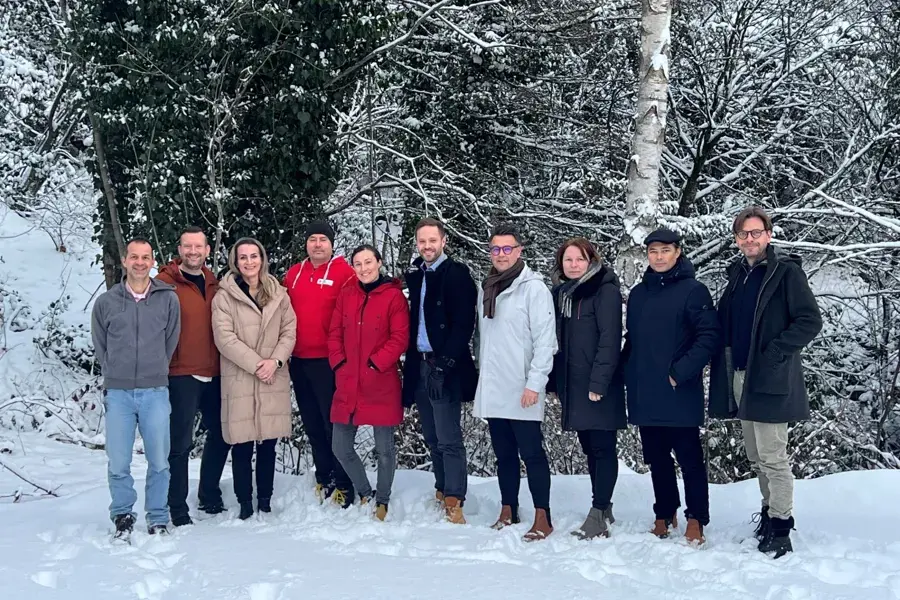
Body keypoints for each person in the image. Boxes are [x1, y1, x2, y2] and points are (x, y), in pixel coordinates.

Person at [709, 206, 822, 558]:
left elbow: (809, 321)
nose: (750, 239)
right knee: (756, 456)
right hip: (741, 377)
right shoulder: (738, 276)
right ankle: (769, 514)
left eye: (756, 233)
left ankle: (781, 527)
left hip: (771, 378)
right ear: (737, 239)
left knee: (774, 457)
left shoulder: (785, 273)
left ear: (768, 235)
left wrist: (775, 353)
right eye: (743, 234)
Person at [623, 228, 719, 545]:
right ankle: (665, 513)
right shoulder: (638, 294)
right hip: (645, 391)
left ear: (677, 252)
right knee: (658, 459)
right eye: (653, 251)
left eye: (665, 250)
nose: (659, 256)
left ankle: (696, 519)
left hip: (679, 391)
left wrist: (680, 372)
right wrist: (624, 373)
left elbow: (708, 337)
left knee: (690, 461)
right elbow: (632, 342)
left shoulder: (695, 291)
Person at [91, 238, 181, 538]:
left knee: (159, 460)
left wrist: (155, 369)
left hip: (155, 391)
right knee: (118, 460)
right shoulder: (106, 303)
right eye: (134, 257)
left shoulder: (168, 299)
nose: (140, 262)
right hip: (119, 394)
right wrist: (116, 373)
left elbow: (171, 341)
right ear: (125, 261)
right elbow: (101, 346)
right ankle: (122, 515)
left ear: (152, 261)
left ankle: (157, 516)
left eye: (145, 257)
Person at [474, 224, 558, 542]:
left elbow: (545, 341)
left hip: (523, 387)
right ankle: (508, 509)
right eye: (495, 249)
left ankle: (542, 515)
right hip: (496, 386)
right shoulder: (488, 288)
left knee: (532, 453)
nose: (501, 255)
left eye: (507, 249)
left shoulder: (533, 289)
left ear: (519, 251)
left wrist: (534, 384)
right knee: (504, 453)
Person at [212, 238, 297, 520]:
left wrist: (275, 362)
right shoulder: (224, 296)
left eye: (254, 256)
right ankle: (245, 502)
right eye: (243, 257)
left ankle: (265, 499)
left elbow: (289, 331)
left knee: (268, 442)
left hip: (273, 376)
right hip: (240, 376)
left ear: (262, 258)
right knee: (242, 442)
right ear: (235, 262)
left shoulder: (279, 294)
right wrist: (256, 364)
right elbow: (224, 338)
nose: (249, 262)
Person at [547, 238, 625, 540]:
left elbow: (610, 339)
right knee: (589, 448)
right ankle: (603, 507)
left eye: (580, 259)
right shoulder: (563, 294)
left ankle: (598, 512)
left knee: (603, 447)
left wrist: (599, 383)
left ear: (591, 260)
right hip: (573, 384)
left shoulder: (604, 291)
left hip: (598, 384)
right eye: (568, 260)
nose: (574, 265)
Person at [402, 218, 477, 524]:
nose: (427, 246)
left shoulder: (456, 274)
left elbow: (463, 325)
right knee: (431, 435)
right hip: (419, 363)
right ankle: (442, 485)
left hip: (444, 364)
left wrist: (444, 364)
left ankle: (454, 497)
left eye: (433, 241)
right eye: (422, 242)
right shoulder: (417, 276)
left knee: (448, 436)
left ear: (444, 241)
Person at [156, 227, 231, 525]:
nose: (192, 251)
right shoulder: (164, 284)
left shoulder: (216, 283)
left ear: (207, 250)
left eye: (198, 246)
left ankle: (208, 494)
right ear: (180, 249)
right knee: (180, 443)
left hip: (215, 372)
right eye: (187, 246)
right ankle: (176, 506)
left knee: (222, 434)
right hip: (181, 373)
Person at [328, 245, 409, 518]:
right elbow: (334, 332)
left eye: (368, 262)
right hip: (348, 380)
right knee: (340, 445)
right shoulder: (346, 294)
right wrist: (339, 362)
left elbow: (399, 337)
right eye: (358, 264)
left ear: (379, 262)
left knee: (384, 449)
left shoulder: (393, 296)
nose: (364, 268)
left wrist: (376, 363)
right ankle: (364, 491)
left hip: (380, 381)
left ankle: (383, 499)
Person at [284, 220, 356, 504]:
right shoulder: (294, 274)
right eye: (312, 239)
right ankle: (323, 477)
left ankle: (343, 481)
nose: (317, 244)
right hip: (299, 361)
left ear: (331, 243)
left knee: (333, 424)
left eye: (322, 239)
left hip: (330, 362)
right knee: (313, 424)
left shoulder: (345, 273)